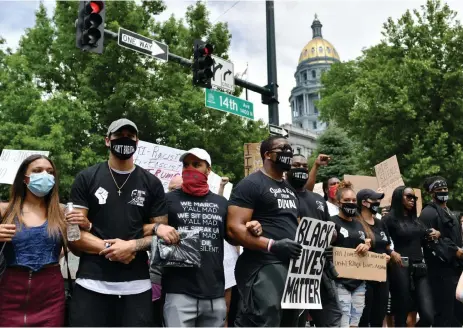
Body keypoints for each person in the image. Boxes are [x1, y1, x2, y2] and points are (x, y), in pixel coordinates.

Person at [67, 118, 177, 327]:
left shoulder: (152, 183)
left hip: (136, 287)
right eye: (119, 136)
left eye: (130, 136)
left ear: (137, 142)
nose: (125, 140)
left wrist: (132, 245)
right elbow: (73, 236)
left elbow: (161, 238)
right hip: (91, 284)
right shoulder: (86, 178)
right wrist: (112, 248)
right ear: (107, 140)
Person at [227, 135, 302, 327]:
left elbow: (297, 225)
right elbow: (234, 228)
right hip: (262, 266)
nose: (289, 152)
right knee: (262, 320)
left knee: (288, 322)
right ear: (267, 154)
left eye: (290, 148)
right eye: (282, 148)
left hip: (291, 268)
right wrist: (272, 245)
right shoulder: (251, 184)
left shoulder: (289, 189)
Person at [0, 155, 69, 326]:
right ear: (24, 178)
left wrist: (85, 225)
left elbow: (75, 248)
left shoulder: (62, 212)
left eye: (50, 172)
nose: (45, 175)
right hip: (10, 292)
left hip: (51, 295)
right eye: (37, 171)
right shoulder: (5, 210)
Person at [286, 154, 342, 327]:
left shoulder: (318, 200)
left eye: (304, 166)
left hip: (321, 268)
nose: (301, 169)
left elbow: (330, 229)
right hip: (295, 269)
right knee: (296, 319)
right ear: (287, 169)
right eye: (296, 165)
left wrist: (330, 235)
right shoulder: (284, 197)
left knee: (332, 318)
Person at [384, 186, 434, 327]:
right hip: (401, 266)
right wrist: (391, 252)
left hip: (419, 266)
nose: (412, 200)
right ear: (399, 197)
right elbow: (382, 241)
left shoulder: (416, 220)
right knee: (401, 310)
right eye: (408, 196)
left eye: (414, 197)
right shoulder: (389, 219)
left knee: (428, 315)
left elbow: (424, 238)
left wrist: (435, 234)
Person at [420, 176, 463, 327]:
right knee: (444, 312)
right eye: (439, 190)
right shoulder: (428, 213)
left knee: (455, 312)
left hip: (455, 270)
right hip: (441, 272)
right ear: (431, 193)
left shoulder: (449, 211)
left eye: (445, 189)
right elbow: (431, 242)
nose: (443, 192)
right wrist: (454, 251)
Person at [329, 181, 370, 328]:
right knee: (343, 321)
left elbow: (366, 245)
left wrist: (366, 246)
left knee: (355, 321)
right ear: (338, 202)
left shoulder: (359, 224)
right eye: (347, 200)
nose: (351, 203)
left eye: (353, 200)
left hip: (359, 282)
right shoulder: (331, 222)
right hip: (340, 281)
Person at [356, 189, 391, 328]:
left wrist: (389, 254)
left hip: (382, 275)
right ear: (364, 202)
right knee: (364, 317)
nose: (378, 203)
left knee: (379, 315)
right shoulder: (356, 223)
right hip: (364, 277)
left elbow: (387, 245)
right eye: (375, 200)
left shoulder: (380, 222)